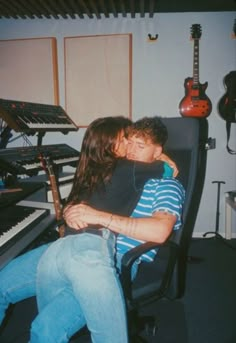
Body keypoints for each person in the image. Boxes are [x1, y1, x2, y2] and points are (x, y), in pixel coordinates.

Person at [0, 116, 179, 343]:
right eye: (128, 141)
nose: (131, 150)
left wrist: (97, 216)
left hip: (111, 256)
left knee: (45, 329)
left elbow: (160, 232)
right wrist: (71, 212)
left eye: (139, 145)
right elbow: (87, 201)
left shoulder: (166, 185)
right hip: (69, 245)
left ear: (157, 150)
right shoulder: (116, 170)